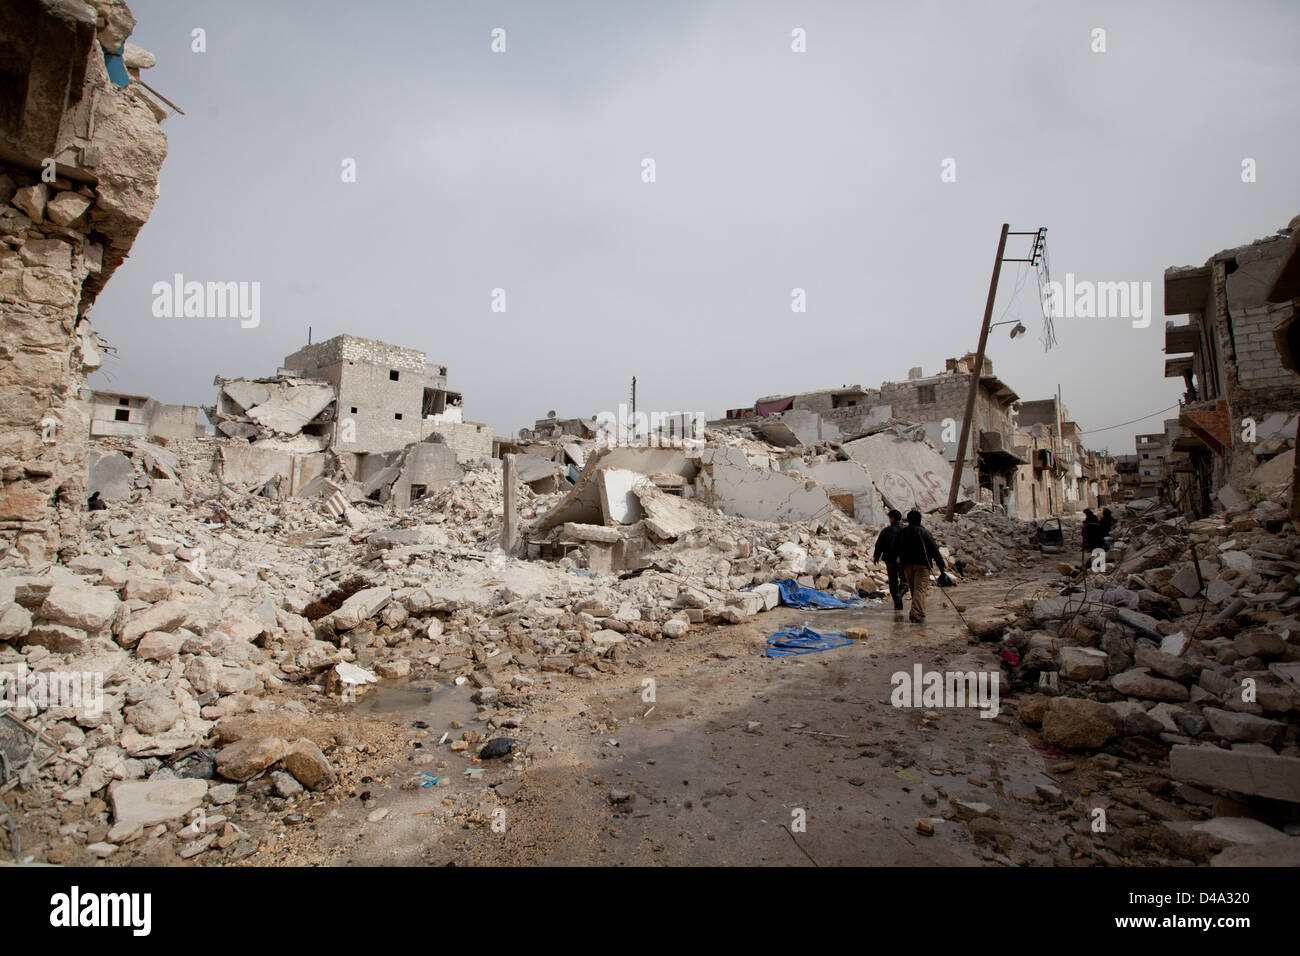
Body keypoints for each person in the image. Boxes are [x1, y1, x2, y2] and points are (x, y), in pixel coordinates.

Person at [896, 509, 945, 623]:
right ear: (920, 520)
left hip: (907, 565)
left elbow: (897, 549)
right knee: (920, 590)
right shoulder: (924, 532)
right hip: (922, 565)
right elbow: (934, 550)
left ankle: (921, 611)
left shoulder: (902, 533)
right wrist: (941, 566)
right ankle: (916, 614)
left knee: (914, 589)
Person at [873, 509, 907, 610]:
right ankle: (901, 594)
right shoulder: (905, 529)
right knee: (904, 581)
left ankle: (898, 604)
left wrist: (876, 556)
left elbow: (879, 545)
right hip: (903, 560)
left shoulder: (886, 531)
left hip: (890, 560)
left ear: (892, 518)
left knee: (893, 582)